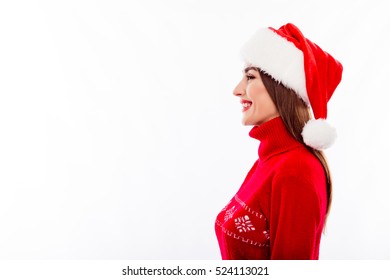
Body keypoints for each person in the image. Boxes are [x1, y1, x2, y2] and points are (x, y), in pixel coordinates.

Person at [214, 23, 343, 260]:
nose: (237, 90)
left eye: (250, 77)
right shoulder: (269, 160)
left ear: (281, 88)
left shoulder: (295, 171)